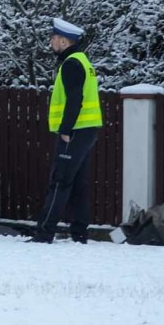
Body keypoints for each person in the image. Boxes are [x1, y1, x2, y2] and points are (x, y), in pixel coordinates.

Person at [30, 18, 104, 244]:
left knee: (60, 180)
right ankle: (79, 233)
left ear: (63, 40)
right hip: (87, 130)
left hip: (74, 131)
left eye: (53, 38)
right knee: (79, 184)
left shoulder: (71, 63)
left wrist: (65, 128)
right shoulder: (83, 61)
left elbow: (75, 99)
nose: (51, 42)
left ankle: (44, 233)